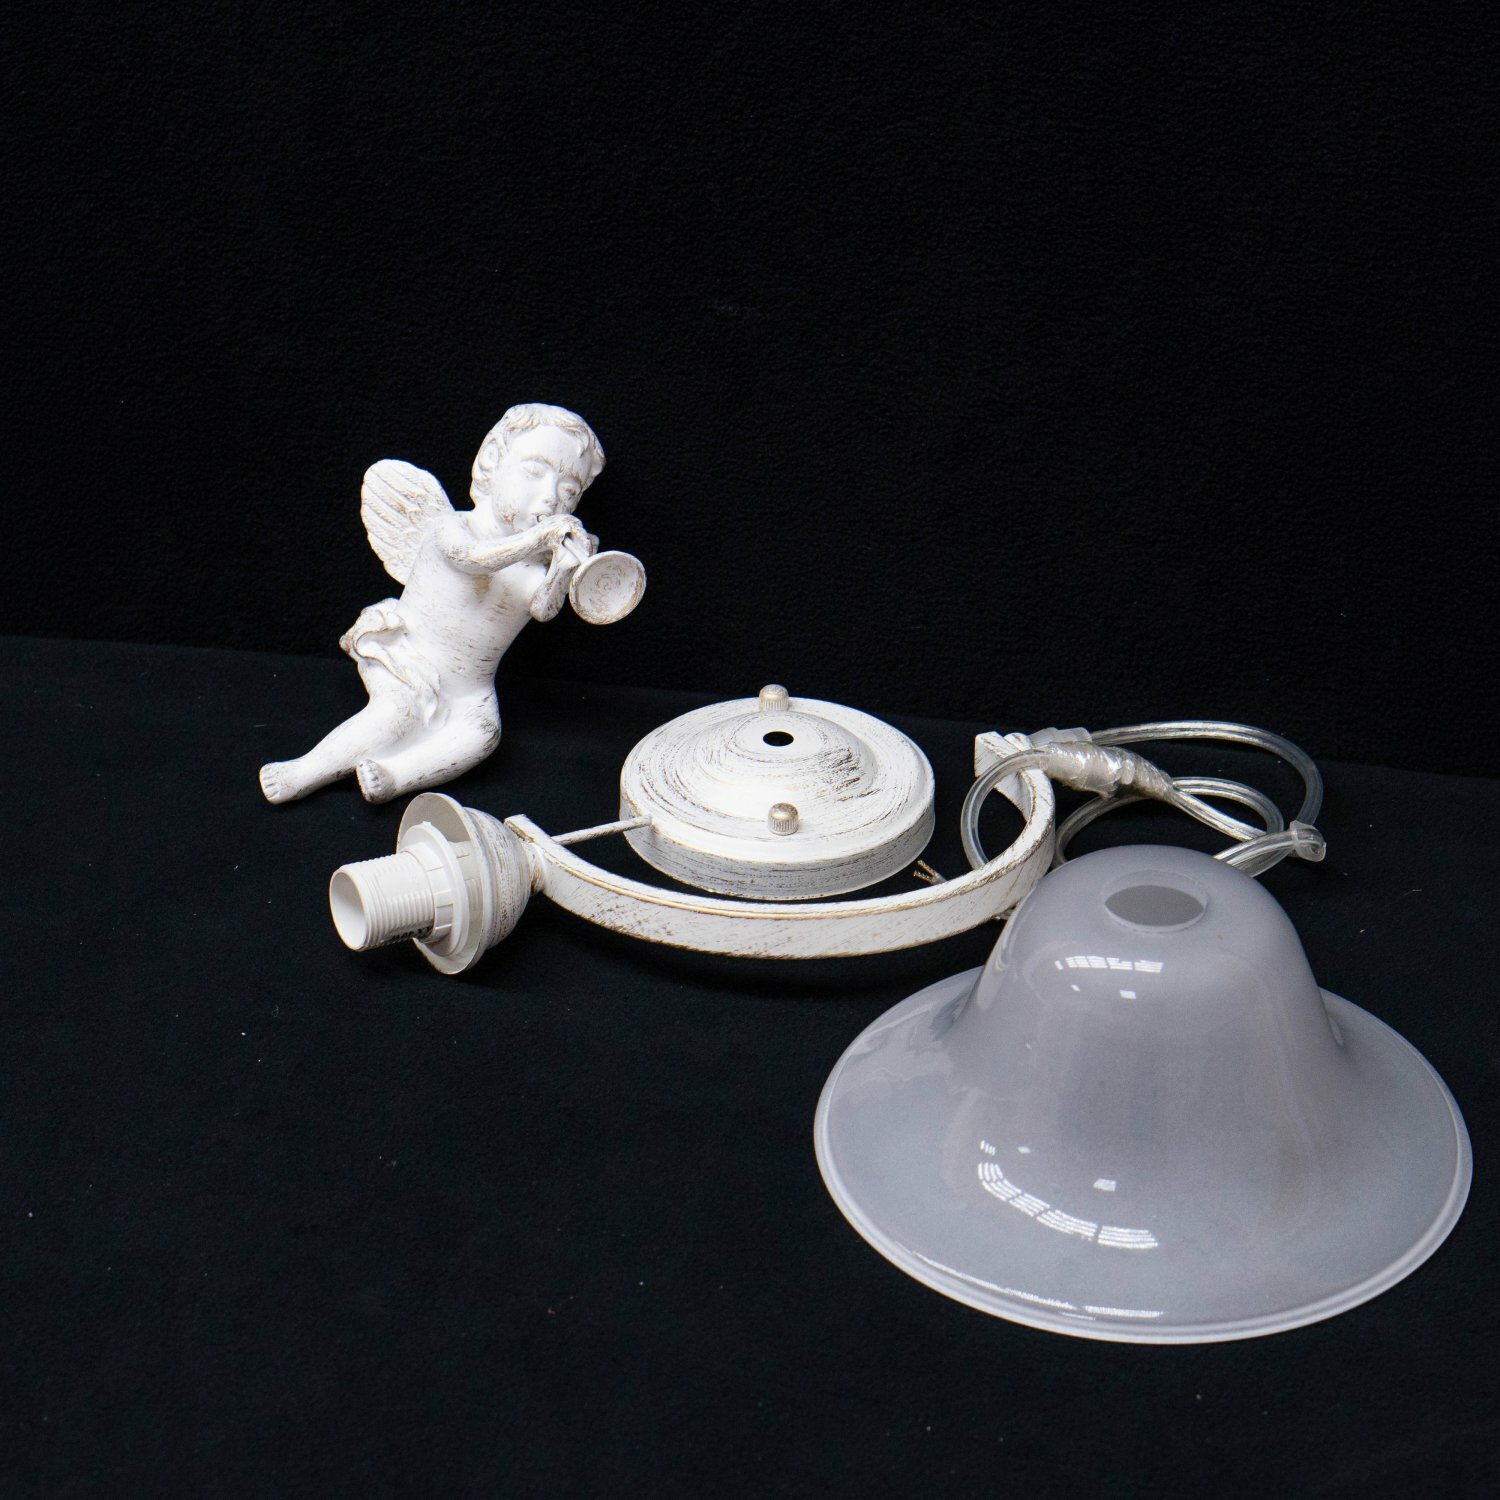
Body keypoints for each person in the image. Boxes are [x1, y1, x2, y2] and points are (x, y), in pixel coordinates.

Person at [259, 404, 605, 804]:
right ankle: (303, 771)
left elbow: (543, 609)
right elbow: (473, 559)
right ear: (492, 461)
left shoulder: (534, 568)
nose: (549, 498)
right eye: (533, 472)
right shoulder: (453, 527)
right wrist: (538, 539)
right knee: (398, 711)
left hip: (470, 689)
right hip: (405, 650)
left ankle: (395, 776)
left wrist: (562, 569)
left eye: (569, 491)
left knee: (483, 734)